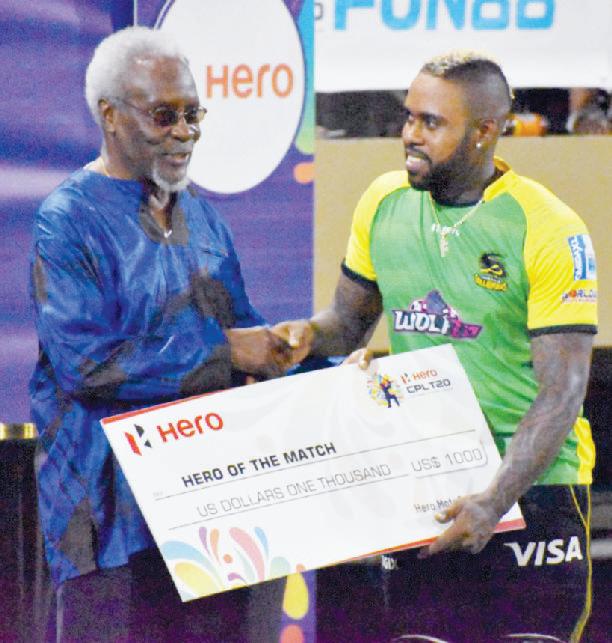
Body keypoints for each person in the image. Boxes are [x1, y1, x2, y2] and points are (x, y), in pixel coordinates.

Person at [275, 51, 598, 642]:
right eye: (409, 117)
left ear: (484, 131)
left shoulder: (548, 226)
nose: (410, 135)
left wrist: (494, 500)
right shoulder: (383, 201)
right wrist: (305, 336)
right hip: (427, 485)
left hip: (537, 493)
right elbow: (346, 324)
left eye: (431, 122)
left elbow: (563, 391)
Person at [30, 26, 291, 642]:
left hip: (212, 517)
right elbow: (86, 365)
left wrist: (315, 361)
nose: (185, 132)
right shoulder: (67, 220)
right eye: (163, 116)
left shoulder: (204, 218)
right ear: (110, 116)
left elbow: (245, 333)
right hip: (108, 521)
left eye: (193, 114)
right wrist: (226, 351)